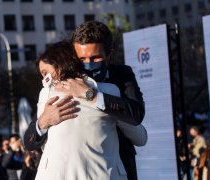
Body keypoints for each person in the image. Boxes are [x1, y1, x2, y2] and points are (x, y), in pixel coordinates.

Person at [24, 20, 145, 180]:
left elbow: (136, 114)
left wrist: (91, 95)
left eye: (95, 58)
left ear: (109, 55)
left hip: (116, 164)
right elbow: (30, 140)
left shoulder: (121, 76)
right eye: (82, 59)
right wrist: (43, 122)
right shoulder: (59, 87)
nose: (88, 64)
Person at [34, 41, 129, 179]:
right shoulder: (110, 91)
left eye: (46, 74)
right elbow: (140, 136)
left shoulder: (47, 93)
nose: (45, 80)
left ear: (60, 65)